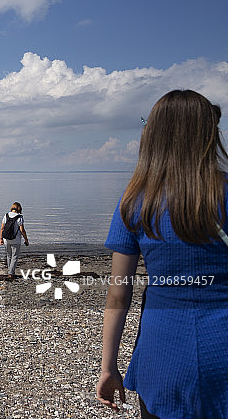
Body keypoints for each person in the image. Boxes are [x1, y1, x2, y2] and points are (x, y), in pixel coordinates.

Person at [96, 90, 228, 418]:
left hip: (162, 354)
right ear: (208, 134)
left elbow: (118, 292)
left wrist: (108, 367)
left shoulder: (136, 201)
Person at [0, 202, 29, 280]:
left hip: (6, 239)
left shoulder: (6, 215)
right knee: (15, 256)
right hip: (15, 240)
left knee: (9, 255)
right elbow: (22, 230)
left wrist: (1, 239)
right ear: (19, 209)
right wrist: (26, 240)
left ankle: (11, 272)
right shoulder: (19, 217)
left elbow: (2, 228)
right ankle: (11, 273)